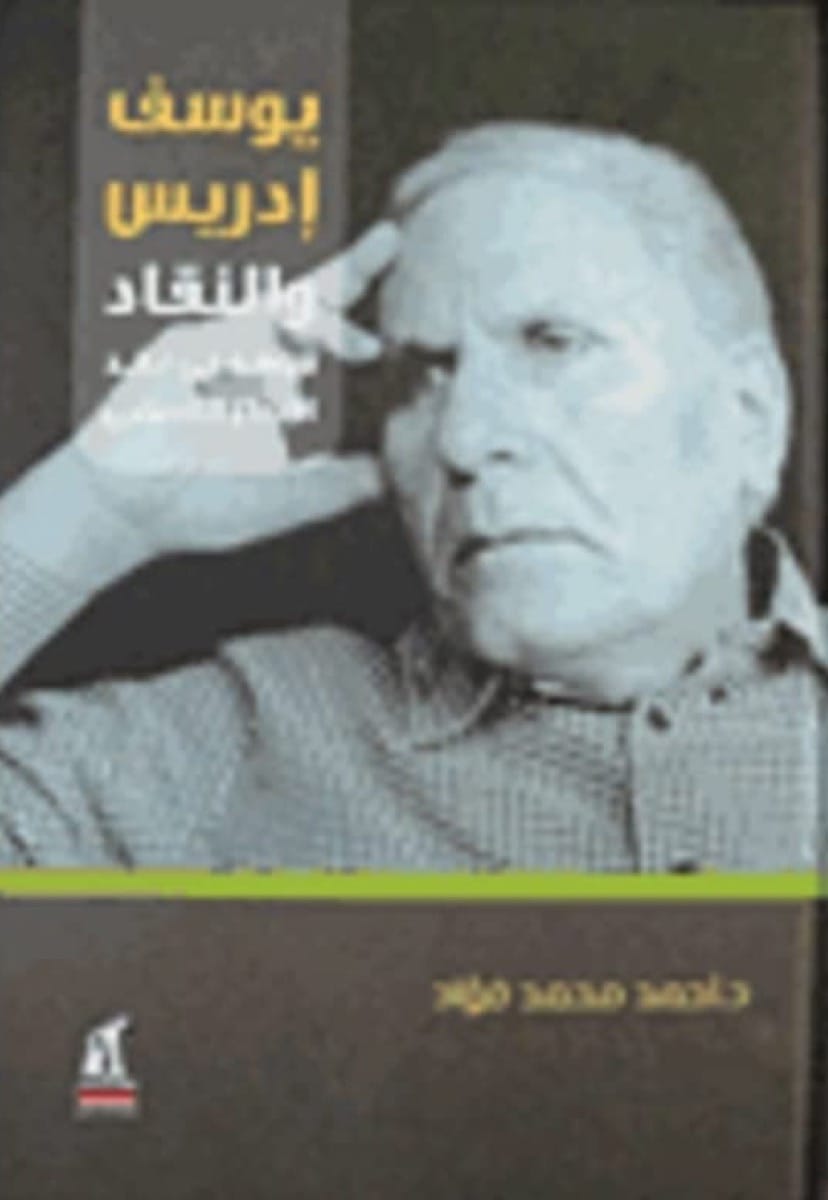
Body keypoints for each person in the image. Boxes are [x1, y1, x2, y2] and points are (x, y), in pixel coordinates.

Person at [0, 122, 823, 869]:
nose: (462, 437)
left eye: (553, 343)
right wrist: (91, 515)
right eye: (421, 377)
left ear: (752, 414)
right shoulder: (234, 747)